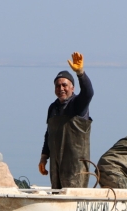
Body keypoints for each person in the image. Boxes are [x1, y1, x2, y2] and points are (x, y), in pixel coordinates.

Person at [38, 52, 94, 189]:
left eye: (64, 85)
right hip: (56, 165)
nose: (61, 88)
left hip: (76, 166)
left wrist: (80, 73)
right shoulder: (53, 107)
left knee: (74, 193)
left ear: (72, 88)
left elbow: (88, 93)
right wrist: (44, 157)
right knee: (56, 193)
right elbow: (49, 134)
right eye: (57, 86)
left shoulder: (78, 104)